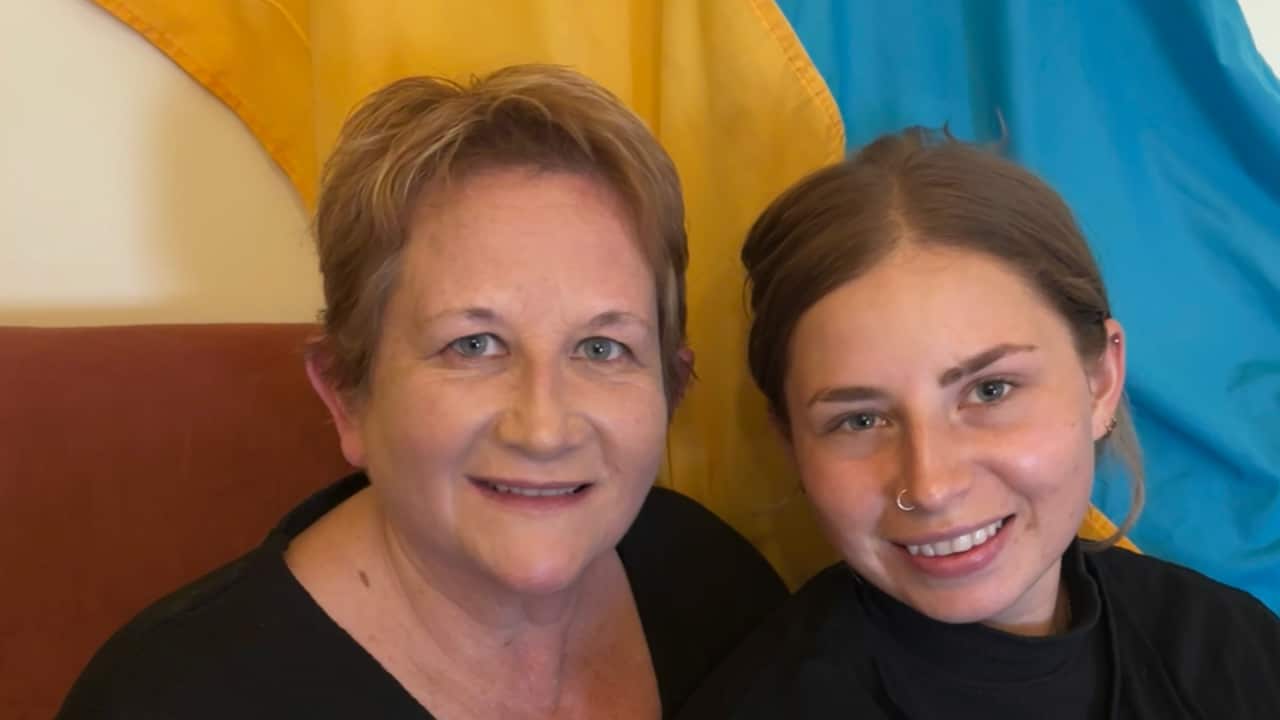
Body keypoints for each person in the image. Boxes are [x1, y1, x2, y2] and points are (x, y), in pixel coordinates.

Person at [58, 65, 786, 719]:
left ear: (672, 387)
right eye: (473, 345)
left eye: (601, 347)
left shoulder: (715, 588)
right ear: (347, 393)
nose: (543, 428)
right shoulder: (168, 698)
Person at [680, 127, 1280, 718]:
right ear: (791, 443)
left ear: (1099, 381)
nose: (933, 485)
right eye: (860, 420)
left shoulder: (1230, 646)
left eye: (990, 391)